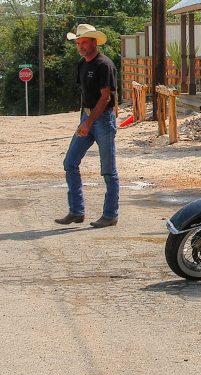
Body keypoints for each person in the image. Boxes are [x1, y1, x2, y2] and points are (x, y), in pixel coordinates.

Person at [55, 24, 119, 228]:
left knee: (108, 170)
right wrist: (83, 119)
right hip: (87, 118)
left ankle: (110, 215)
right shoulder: (82, 64)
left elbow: (105, 97)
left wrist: (89, 122)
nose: (80, 46)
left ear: (94, 42)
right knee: (70, 163)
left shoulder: (104, 65)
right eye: (78, 43)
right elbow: (85, 93)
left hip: (103, 120)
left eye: (84, 42)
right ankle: (76, 211)